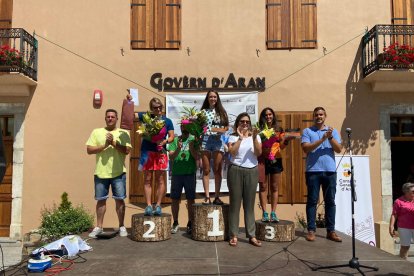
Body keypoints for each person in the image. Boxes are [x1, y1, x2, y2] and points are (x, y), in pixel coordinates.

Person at [86, 109, 132, 238]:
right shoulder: (97, 132)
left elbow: (127, 150)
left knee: (120, 200)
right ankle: (99, 227)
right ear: (105, 118)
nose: (110, 118)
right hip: (101, 172)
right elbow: (89, 150)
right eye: (108, 117)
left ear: (117, 119)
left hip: (118, 172)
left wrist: (113, 142)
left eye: (113, 117)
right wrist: (104, 145)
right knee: (101, 201)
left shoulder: (123, 133)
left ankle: (122, 226)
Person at [301, 107, 342, 242]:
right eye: (317, 114)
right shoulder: (307, 131)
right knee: (312, 201)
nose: (319, 116)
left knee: (330, 201)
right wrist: (322, 139)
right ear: (313, 116)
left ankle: (331, 231)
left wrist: (329, 137)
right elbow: (306, 148)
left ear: (325, 116)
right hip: (313, 171)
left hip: (330, 171)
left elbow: (339, 149)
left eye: (321, 114)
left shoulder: (333, 131)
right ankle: (311, 230)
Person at [227, 112, 262, 247]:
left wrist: (253, 138)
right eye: (242, 121)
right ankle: (234, 235)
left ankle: (251, 235)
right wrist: (240, 138)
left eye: (247, 122)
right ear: (238, 123)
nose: (245, 124)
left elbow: (258, 153)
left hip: (252, 171)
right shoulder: (232, 136)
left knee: (249, 205)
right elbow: (233, 152)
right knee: (235, 204)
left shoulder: (256, 136)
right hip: (235, 170)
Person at [138, 97, 174, 216]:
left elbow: (171, 137)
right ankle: (148, 205)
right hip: (147, 151)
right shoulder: (146, 118)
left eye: (160, 107)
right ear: (151, 108)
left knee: (160, 179)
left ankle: (158, 205)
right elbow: (131, 114)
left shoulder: (167, 121)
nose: (158, 109)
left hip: (160, 152)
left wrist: (164, 142)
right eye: (155, 107)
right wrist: (129, 100)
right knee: (147, 178)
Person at [257, 107, 294, 223]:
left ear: (273, 116)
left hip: (275, 159)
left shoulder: (279, 129)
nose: (268, 117)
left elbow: (282, 146)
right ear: (263, 117)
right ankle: (264, 213)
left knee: (274, 187)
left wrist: (287, 140)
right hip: (262, 160)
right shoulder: (259, 129)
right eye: (266, 115)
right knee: (263, 187)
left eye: (270, 114)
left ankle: (273, 212)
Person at [200, 90, 229, 205]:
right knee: (206, 170)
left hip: (218, 141)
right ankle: (207, 197)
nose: (213, 99)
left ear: (217, 98)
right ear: (208, 98)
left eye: (214, 97)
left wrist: (217, 130)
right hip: (206, 141)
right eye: (211, 97)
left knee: (217, 170)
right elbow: (199, 127)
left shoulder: (222, 112)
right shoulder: (202, 112)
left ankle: (217, 196)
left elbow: (227, 128)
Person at [168, 125, 198, 235]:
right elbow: (171, 157)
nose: (185, 129)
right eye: (183, 127)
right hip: (177, 174)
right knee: (175, 199)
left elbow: (197, 157)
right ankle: (175, 222)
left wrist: (191, 148)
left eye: (187, 127)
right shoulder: (175, 140)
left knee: (190, 199)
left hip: (190, 173)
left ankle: (190, 223)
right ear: (180, 127)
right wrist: (178, 149)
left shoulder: (194, 139)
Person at [389, 182, 414, 259]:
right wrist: (391, 226)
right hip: (404, 227)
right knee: (405, 247)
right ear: (406, 192)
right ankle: (403, 264)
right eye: (413, 191)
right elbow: (394, 214)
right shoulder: (398, 201)